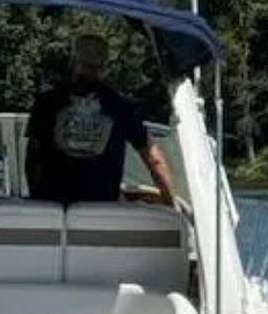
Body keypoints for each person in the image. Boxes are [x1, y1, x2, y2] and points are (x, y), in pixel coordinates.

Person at [25, 34, 176, 206]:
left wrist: (38, 202)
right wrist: (171, 204)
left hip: (53, 208)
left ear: (73, 62)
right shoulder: (120, 107)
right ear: (104, 68)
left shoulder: (46, 103)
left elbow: (32, 160)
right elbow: (154, 159)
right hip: (102, 211)